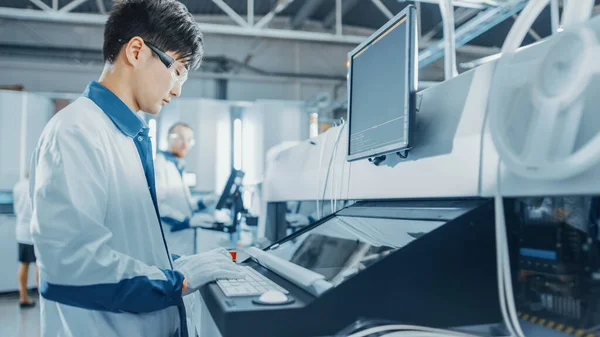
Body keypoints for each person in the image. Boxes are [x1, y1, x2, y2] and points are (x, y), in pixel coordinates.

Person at [28, 1, 243, 337]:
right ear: (137, 50)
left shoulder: (126, 136)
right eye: (177, 71)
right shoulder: (76, 131)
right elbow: (72, 266)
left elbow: (125, 243)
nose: (177, 89)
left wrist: (175, 265)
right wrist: (176, 280)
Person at [155, 122, 230, 256]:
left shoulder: (177, 164)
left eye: (189, 140)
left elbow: (182, 204)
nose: (185, 144)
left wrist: (206, 201)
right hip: (170, 240)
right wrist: (187, 221)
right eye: (180, 138)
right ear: (169, 138)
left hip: (182, 241)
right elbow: (158, 206)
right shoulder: (160, 165)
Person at [13, 176, 38, 309]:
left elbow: (16, 207)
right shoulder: (38, 184)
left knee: (24, 264)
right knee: (39, 265)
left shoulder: (18, 186)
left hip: (21, 229)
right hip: (35, 230)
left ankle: (23, 297)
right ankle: (43, 298)